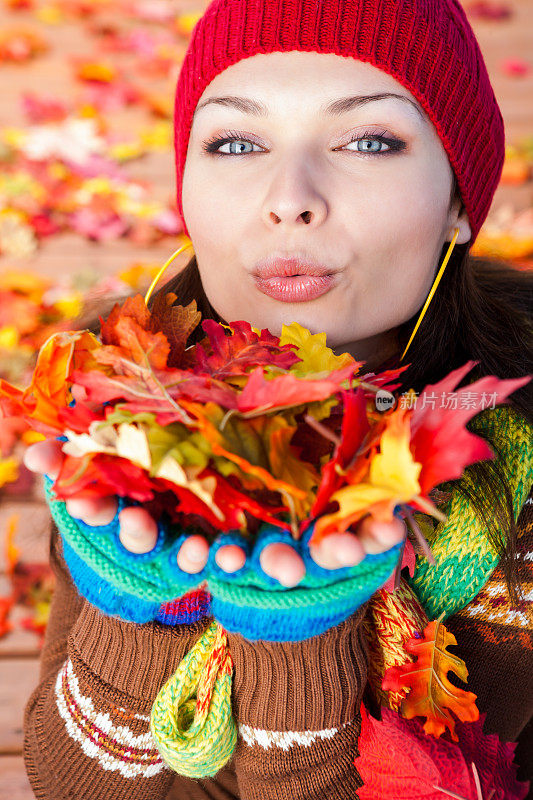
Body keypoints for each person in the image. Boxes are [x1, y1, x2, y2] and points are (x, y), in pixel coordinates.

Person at [21, 1, 533, 798]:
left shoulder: (513, 474)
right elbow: (70, 785)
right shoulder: (127, 396)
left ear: (460, 202)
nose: (287, 197)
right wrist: (133, 614)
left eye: (368, 141)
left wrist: (299, 638)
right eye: (235, 141)